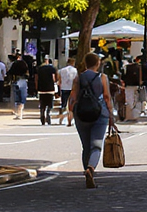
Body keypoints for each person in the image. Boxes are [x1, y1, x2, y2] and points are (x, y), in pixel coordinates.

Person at [68, 53, 113, 187]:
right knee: (96, 146)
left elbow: (73, 96)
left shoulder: (78, 77)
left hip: (81, 113)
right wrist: (111, 115)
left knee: (86, 146)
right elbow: (107, 97)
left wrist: (70, 112)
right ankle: (91, 168)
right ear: (98, 63)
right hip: (100, 113)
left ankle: (86, 170)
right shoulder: (102, 77)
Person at [34, 58, 58, 125]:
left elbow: (36, 78)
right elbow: (54, 78)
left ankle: (42, 113)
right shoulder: (52, 69)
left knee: (42, 103)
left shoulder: (39, 69)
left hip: (41, 89)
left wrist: (37, 87)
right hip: (50, 89)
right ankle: (48, 113)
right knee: (50, 103)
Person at [8, 55, 29, 122]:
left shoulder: (14, 64)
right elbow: (27, 73)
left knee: (16, 97)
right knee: (22, 97)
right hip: (23, 80)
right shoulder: (24, 64)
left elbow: (10, 72)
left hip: (15, 80)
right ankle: (20, 113)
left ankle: (17, 112)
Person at [58, 58, 78, 127]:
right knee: (71, 105)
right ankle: (70, 119)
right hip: (71, 89)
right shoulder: (75, 70)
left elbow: (59, 80)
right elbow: (76, 80)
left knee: (63, 104)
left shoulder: (62, 70)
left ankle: (61, 119)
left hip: (64, 88)